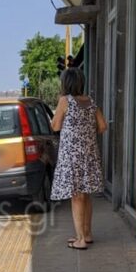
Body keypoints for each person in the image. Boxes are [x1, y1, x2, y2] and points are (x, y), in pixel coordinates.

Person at [50, 68, 108, 250]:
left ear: (65, 83)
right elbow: (103, 126)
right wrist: (87, 133)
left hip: (72, 156)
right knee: (86, 196)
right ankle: (87, 233)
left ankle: (80, 239)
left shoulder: (65, 101)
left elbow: (56, 126)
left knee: (76, 197)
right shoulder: (90, 102)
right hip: (89, 155)